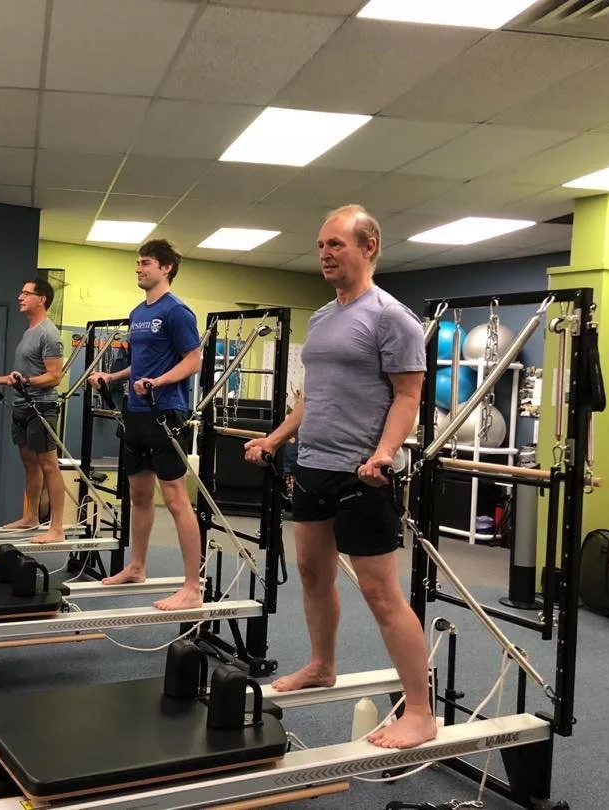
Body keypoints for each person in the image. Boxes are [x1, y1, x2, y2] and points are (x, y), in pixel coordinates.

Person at [244, 204, 435, 750]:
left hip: (362, 475)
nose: (325, 254)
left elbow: (408, 395)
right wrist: (277, 438)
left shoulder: (391, 317)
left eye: (336, 244)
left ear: (369, 246)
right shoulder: (323, 318)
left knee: (380, 592)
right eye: (321, 245)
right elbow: (313, 397)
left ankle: (419, 711)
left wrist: (385, 453)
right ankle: (322, 664)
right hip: (312, 468)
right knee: (310, 572)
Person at [88, 239, 203, 610]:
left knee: (174, 497)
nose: (139, 268)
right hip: (135, 412)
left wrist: (161, 382)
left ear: (166, 267)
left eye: (146, 263)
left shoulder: (177, 311)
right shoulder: (137, 312)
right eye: (137, 263)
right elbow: (140, 367)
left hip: (166, 411)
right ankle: (137, 566)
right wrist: (114, 378)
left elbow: (193, 360)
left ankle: (192, 587)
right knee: (137, 494)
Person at [0, 278, 66, 544]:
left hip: (41, 406)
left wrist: (25, 382)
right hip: (22, 405)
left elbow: (54, 377)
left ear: (42, 300)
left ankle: (57, 528)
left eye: (27, 293)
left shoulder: (48, 333)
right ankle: (31, 517)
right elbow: (23, 375)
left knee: (49, 465)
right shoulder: (29, 331)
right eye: (21, 292)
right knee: (29, 463)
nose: (21, 297)